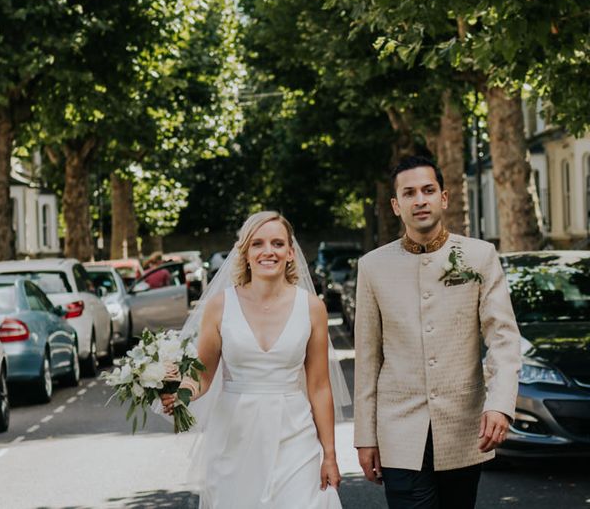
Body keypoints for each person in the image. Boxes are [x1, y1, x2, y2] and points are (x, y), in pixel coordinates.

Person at [354, 155, 521, 509]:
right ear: (396, 205)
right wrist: (365, 437)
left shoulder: (480, 256)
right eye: (410, 193)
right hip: (398, 428)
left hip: (463, 427)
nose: (420, 200)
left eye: (428, 190)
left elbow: (503, 338)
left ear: (443, 198)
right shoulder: (372, 267)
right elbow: (368, 359)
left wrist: (501, 404)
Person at [161, 211, 347, 508]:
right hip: (235, 435)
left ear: (290, 252)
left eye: (277, 243)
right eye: (258, 244)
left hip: (295, 434)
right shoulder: (220, 306)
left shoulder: (312, 308)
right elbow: (204, 374)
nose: (268, 251)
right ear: (245, 253)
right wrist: (183, 393)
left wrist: (330, 455)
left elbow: (320, 386)